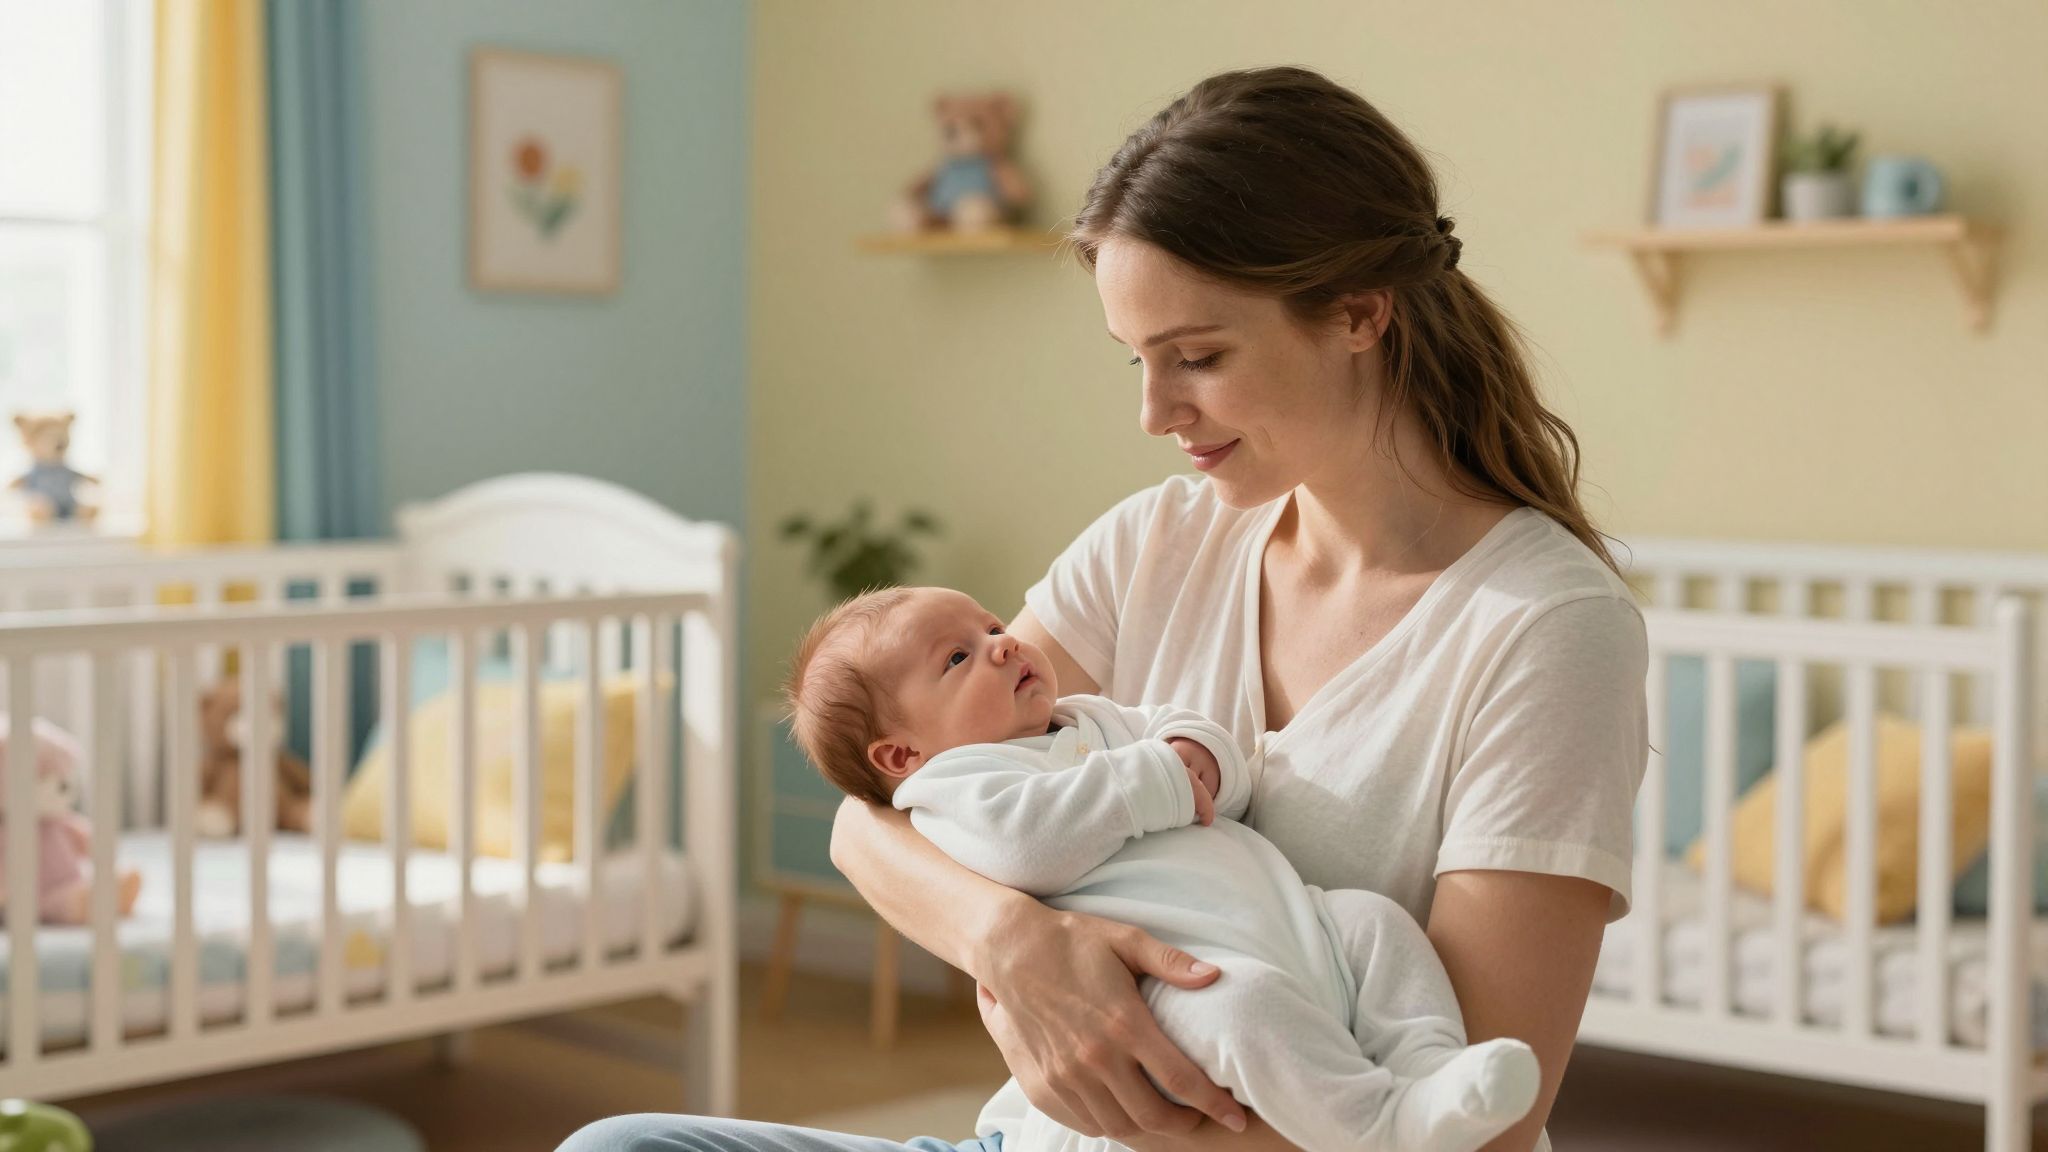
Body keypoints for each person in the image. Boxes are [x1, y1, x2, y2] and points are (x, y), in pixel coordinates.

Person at [560, 63, 1645, 1152]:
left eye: (1197, 358)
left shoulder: (1544, 629)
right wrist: (1013, 946)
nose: (1153, 412)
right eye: (1136, 360)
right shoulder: (1155, 543)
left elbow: (1489, 1134)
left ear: (1359, 313)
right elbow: (876, 817)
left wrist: (1132, 1099)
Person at [776, 584, 1541, 1152]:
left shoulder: (1088, 719)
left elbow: (1199, 753)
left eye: (993, 626)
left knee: (1378, 924)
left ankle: (1427, 1068)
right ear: (901, 754)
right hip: (1172, 983)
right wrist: (1159, 776)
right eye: (957, 657)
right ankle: (1379, 1122)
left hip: (1296, 924)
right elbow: (1029, 845)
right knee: (1246, 1011)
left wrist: (1199, 754)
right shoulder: (953, 788)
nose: (1002, 645)